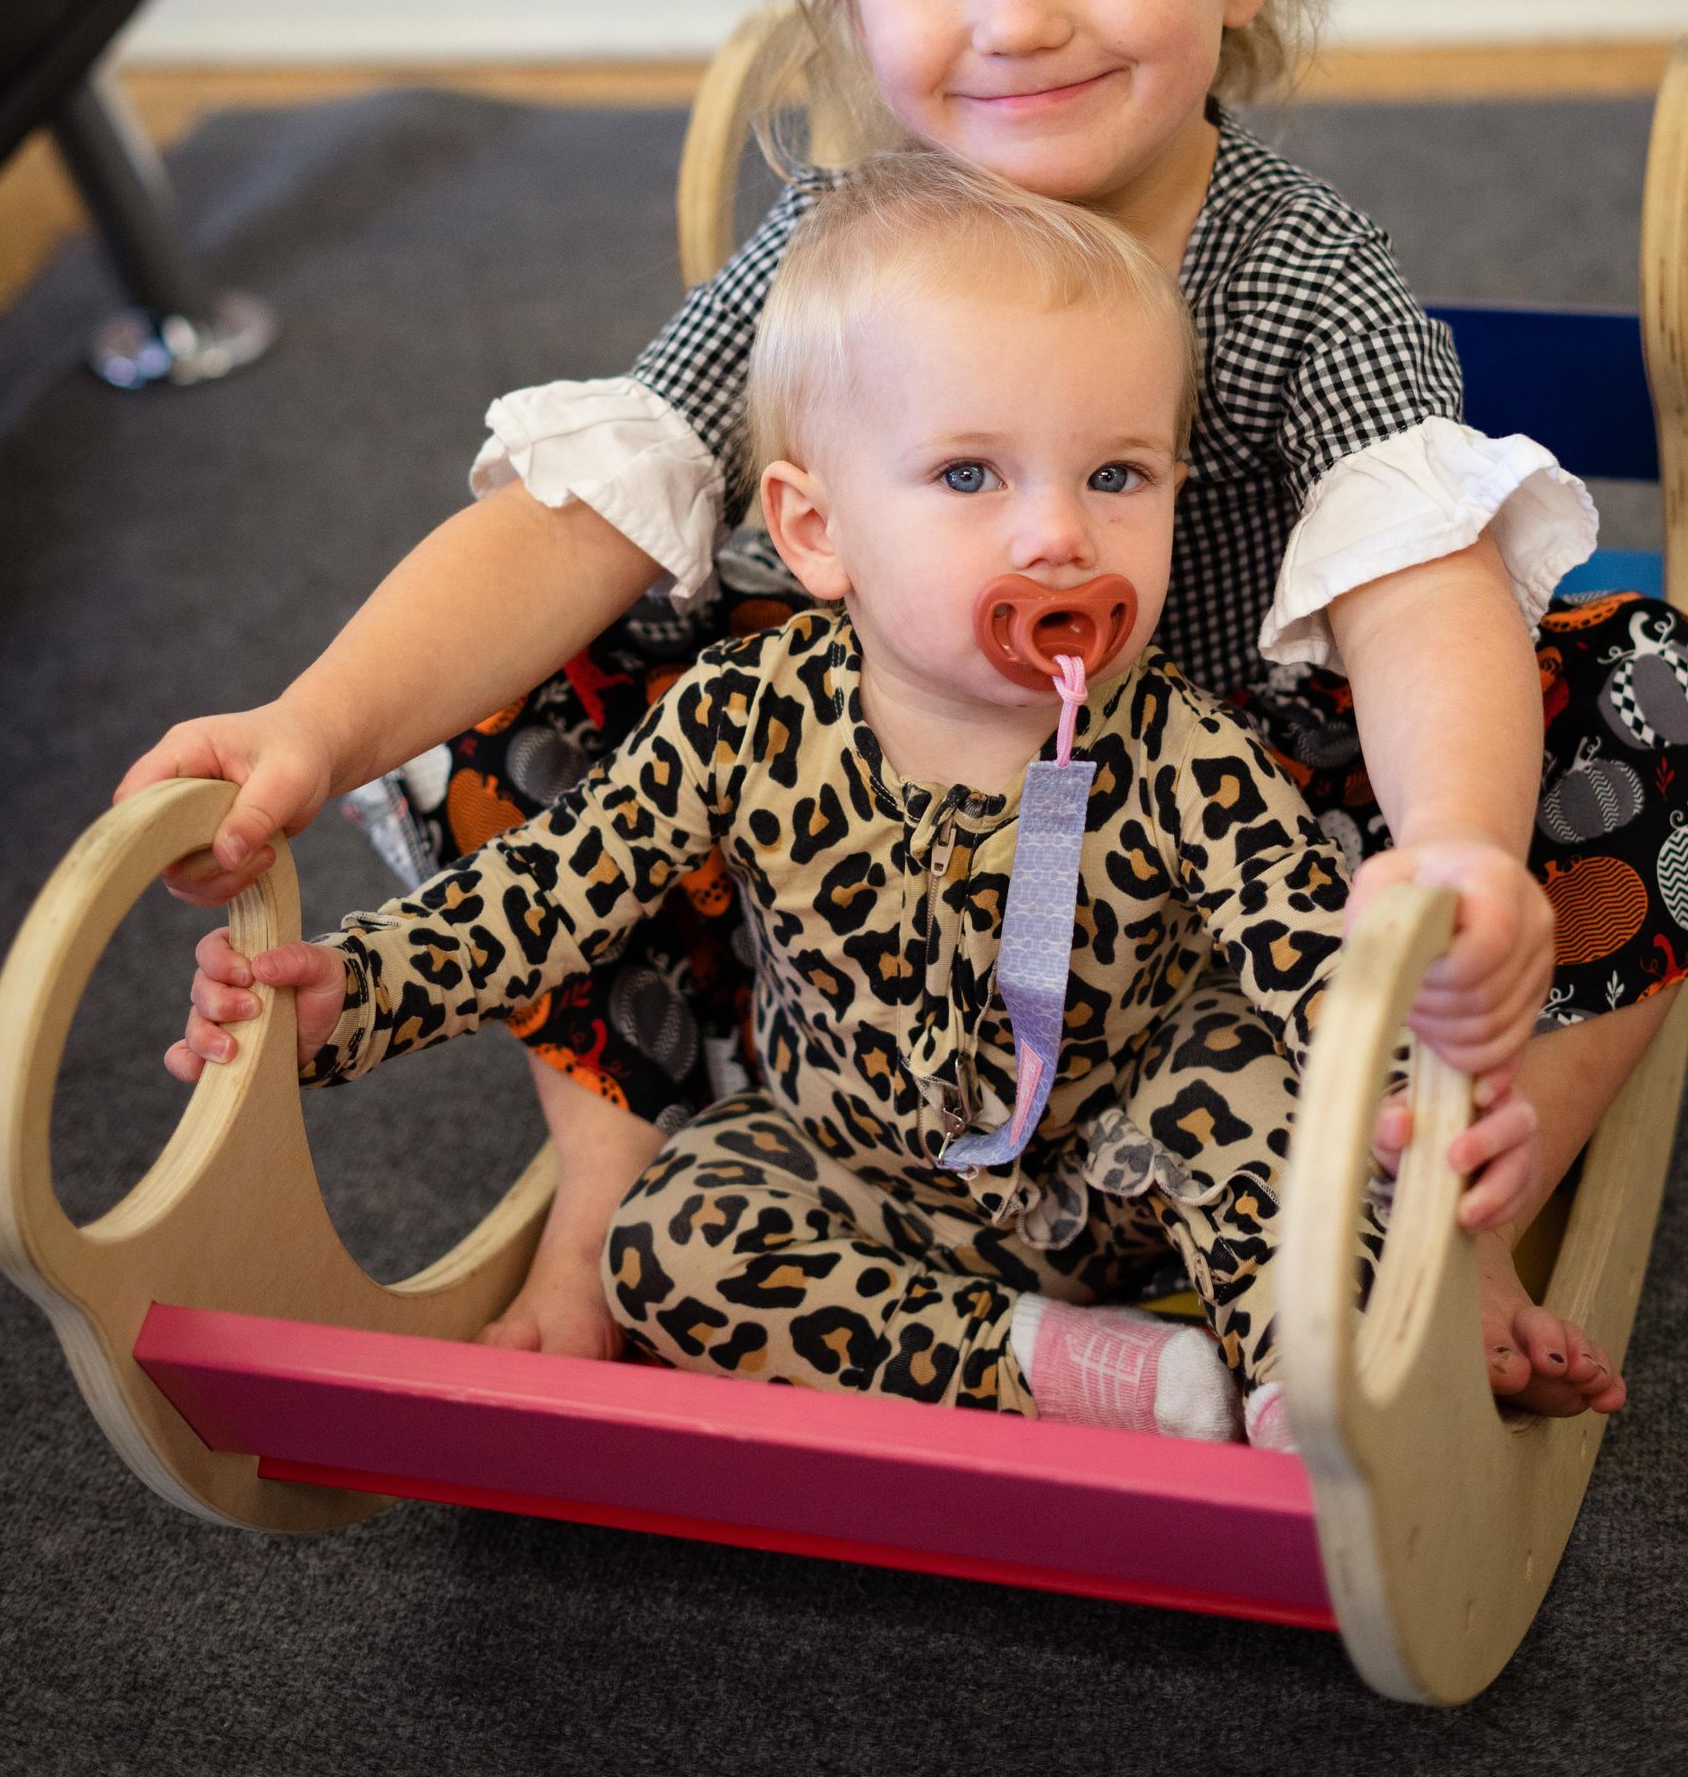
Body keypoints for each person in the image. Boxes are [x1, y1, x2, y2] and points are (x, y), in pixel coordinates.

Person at [126, 0, 1688, 1420]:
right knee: (523, 687)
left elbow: (1421, 588)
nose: (1018, 17)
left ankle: (1451, 1206)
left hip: (1231, 842)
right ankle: (616, 1182)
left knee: (1668, 714)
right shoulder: (833, 255)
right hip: (890, 809)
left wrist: (1465, 859)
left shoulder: (1294, 273)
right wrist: (308, 725)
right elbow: (575, 522)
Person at [166, 157, 1566, 1443]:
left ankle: (1303, 1386)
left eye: (1118, 475)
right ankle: (1063, 1369)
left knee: (1264, 1106)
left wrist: (1419, 1100)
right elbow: (547, 898)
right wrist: (348, 994)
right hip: (858, 1170)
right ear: (815, 530)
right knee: (673, 1238)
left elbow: (1313, 961)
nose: (1058, 532)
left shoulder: (1188, 750)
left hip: (1142, 1156)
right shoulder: (739, 717)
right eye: (969, 475)